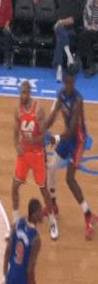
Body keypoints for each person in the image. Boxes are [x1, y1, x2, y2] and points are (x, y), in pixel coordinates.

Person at [45, 68, 98, 240]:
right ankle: (53, 205)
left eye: (71, 82)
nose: (69, 84)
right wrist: (42, 128)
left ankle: (88, 215)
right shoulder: (61, 94)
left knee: (69, 179)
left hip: (78, 140)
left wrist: (55, 138)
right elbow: (53, 116)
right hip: (67, 137)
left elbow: (73, 128)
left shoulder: (78, 100)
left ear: (74, 81)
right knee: (51, 168)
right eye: (67, 81)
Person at [12, 81, 58, 240]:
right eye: (21, 92)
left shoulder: (38, 110)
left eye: (24, 92)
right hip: (24, 154)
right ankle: (15, 220)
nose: (22, 95)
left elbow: (44, 135)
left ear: (29, 93)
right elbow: (15, 131)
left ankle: (52, 221)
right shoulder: (17, 109)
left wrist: (34, 139)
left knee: (43, 189)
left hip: (37, 154)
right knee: (14, 186)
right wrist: (17, 145)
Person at [35, 0, 83, 82]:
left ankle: (59, 68)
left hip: (72, 31)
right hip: (60, 30)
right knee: (60, 32)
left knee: (59, 34)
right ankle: (69, 57)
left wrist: (60, 22)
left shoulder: (79, 0)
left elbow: (73, 20)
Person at [78, 0, 98, 77]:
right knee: (83, 35)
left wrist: (95, 27)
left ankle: (87, 64)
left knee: (84, 36)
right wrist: (88, 27)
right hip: (90, 30)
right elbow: (85, 17)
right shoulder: (88, 2)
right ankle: (91, 65)